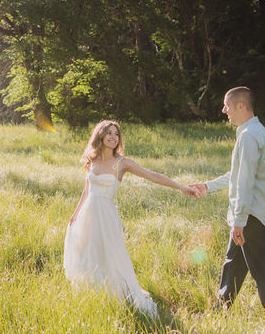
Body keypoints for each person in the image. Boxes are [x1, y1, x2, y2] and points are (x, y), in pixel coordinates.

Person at [63, 119, 199, 317]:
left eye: (116, 134)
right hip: (88, 215)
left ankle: (118, 294)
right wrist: (75, 215)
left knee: (111, 254)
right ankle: (93, 294)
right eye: (109, 133)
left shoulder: (122, 163)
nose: (113, 137)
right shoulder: (92, 160)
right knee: (88, 253)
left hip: (106, 215)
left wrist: (180, 186)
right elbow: (87, 190)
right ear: (100, 135)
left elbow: (151, 175)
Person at [189, 87, 265, 319]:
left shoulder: (249, 136)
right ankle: (221, 310)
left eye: (227, 106)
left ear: (241, 106)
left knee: (262, 269)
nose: (224, 110)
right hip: (248, 215)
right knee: (233, 264)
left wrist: (239, 221)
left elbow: (244, 183)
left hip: (250, 216)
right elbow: (236, 174)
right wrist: (208, 186)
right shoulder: (254, 132)